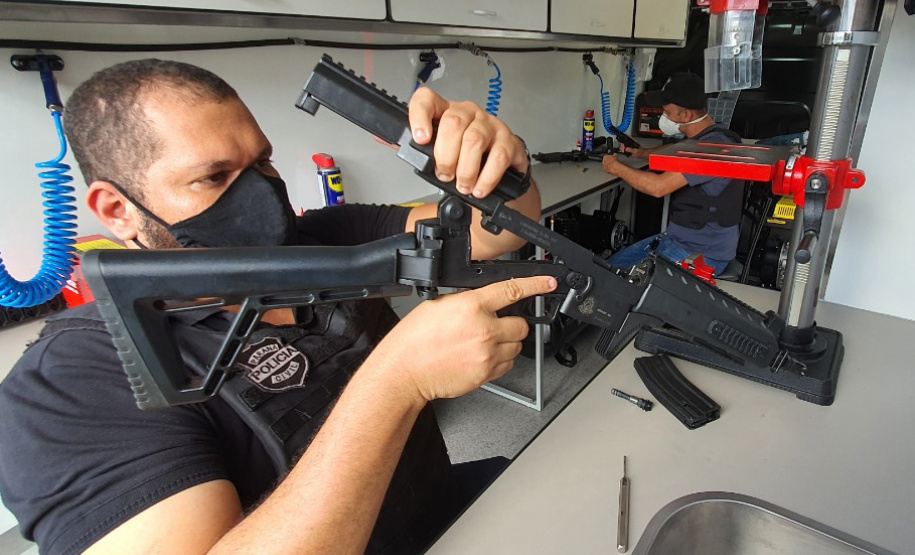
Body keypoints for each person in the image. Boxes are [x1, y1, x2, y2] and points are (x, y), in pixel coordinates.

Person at [0, 59, 554, 555]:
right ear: (118, 212)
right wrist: (396, 381)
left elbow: (495, 232)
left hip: (449, 523)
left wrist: (500, 167)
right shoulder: (69, 383)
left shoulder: (327, 238)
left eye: (262, 163)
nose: (264, 195)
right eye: (213, 177)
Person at [600, 73, 744, 276]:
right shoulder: (710, 135)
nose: (663, 117)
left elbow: (658, 187)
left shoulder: (710, 149)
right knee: (605, 268)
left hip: (700, 254)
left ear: (686, 116)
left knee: (622, 284)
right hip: (677, 240)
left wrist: (615, 167)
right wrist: (641, 153)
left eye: (667, 112)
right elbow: (676, 151)